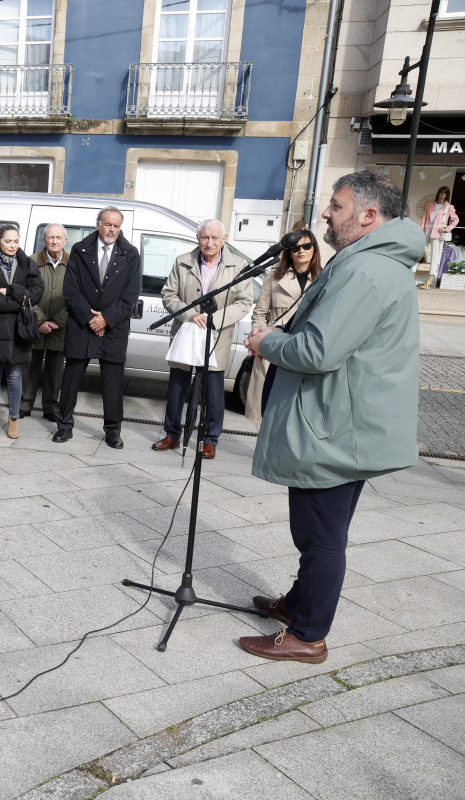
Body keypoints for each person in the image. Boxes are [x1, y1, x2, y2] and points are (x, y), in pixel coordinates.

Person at [239, 171, 423, 664]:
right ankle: (300, 605)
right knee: (317, 531)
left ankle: (308, 634)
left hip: (337, 429)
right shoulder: (370, 261)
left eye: (336, 207)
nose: (325, 214)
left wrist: (266, 342)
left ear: (369, 216)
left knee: (320, 536)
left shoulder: (366, 271)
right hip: (341, 422)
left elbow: (319, 349)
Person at [152, 219, 252, 460]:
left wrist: (214, 318)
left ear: (224, 239)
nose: (209, 242)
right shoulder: (183, 261)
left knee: (214, 391)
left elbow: (244, 302)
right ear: (198, 239)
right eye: (204, 237)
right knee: (177, 387)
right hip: (187, 331)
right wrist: (190, 314)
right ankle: (172, 434)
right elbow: (168, 293)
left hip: (216, 334)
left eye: (215, 238)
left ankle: (210, 440)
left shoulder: (238, 266)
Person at [55, 207, 143, 448]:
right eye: (107, 224)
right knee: (71, 378)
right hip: (82, 324)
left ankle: (113, 431)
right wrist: (91, 319)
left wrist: (106, 319)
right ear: (98, 225)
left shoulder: (130, 254)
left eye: (116, 225)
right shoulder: (79, 250)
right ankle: (64, 425)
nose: (111, 229)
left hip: (113, 328)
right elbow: (70, 290)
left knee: (113, 383)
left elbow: (130, 295)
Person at [244, 228, 322, 423]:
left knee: (293, 415)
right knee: (265, 411)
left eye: (306, 246)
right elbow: (260, 313)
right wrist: (259, 335)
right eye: (295, 247)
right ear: (288, 251)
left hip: (303, 349)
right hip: (273, 348)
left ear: (314, 249)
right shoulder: (274, 277)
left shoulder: (323, 279)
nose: (301, 251)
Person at [0, 224, 45, 439]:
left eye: (16, 241)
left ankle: (13, 419)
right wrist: (20, 303)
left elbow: (37, 293)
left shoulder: (27, 263)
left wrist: (10, 290)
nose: (13, 245)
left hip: (19, 328)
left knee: (15, 375)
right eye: (8, 241)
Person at [21, 224, 68, 421]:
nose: (55, 241)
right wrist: (40, 320)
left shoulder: (75, 263)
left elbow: (79, 296)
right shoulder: (31, 262)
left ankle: (50, 407)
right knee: (30, 365)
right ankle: (25, 405)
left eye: (58, 237)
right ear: (44, 240)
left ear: (65, 240)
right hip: (35, 324)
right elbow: (24, 293)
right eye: (51, 237)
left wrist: (58, 320)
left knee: (55, 369)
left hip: (61, 326)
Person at [420, 185, 458, 289]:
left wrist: (447, 228)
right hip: (427, 231)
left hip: (437, 233)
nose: (442, 194)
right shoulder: (430, 205)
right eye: (441, 191)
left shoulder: (449, 207)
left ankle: (429, 280)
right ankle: (412, 274)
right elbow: (424, 219)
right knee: (419, 251)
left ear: (447, 195)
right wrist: (421, 231)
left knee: (435, 257)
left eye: (444, 192)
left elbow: (456, 220)